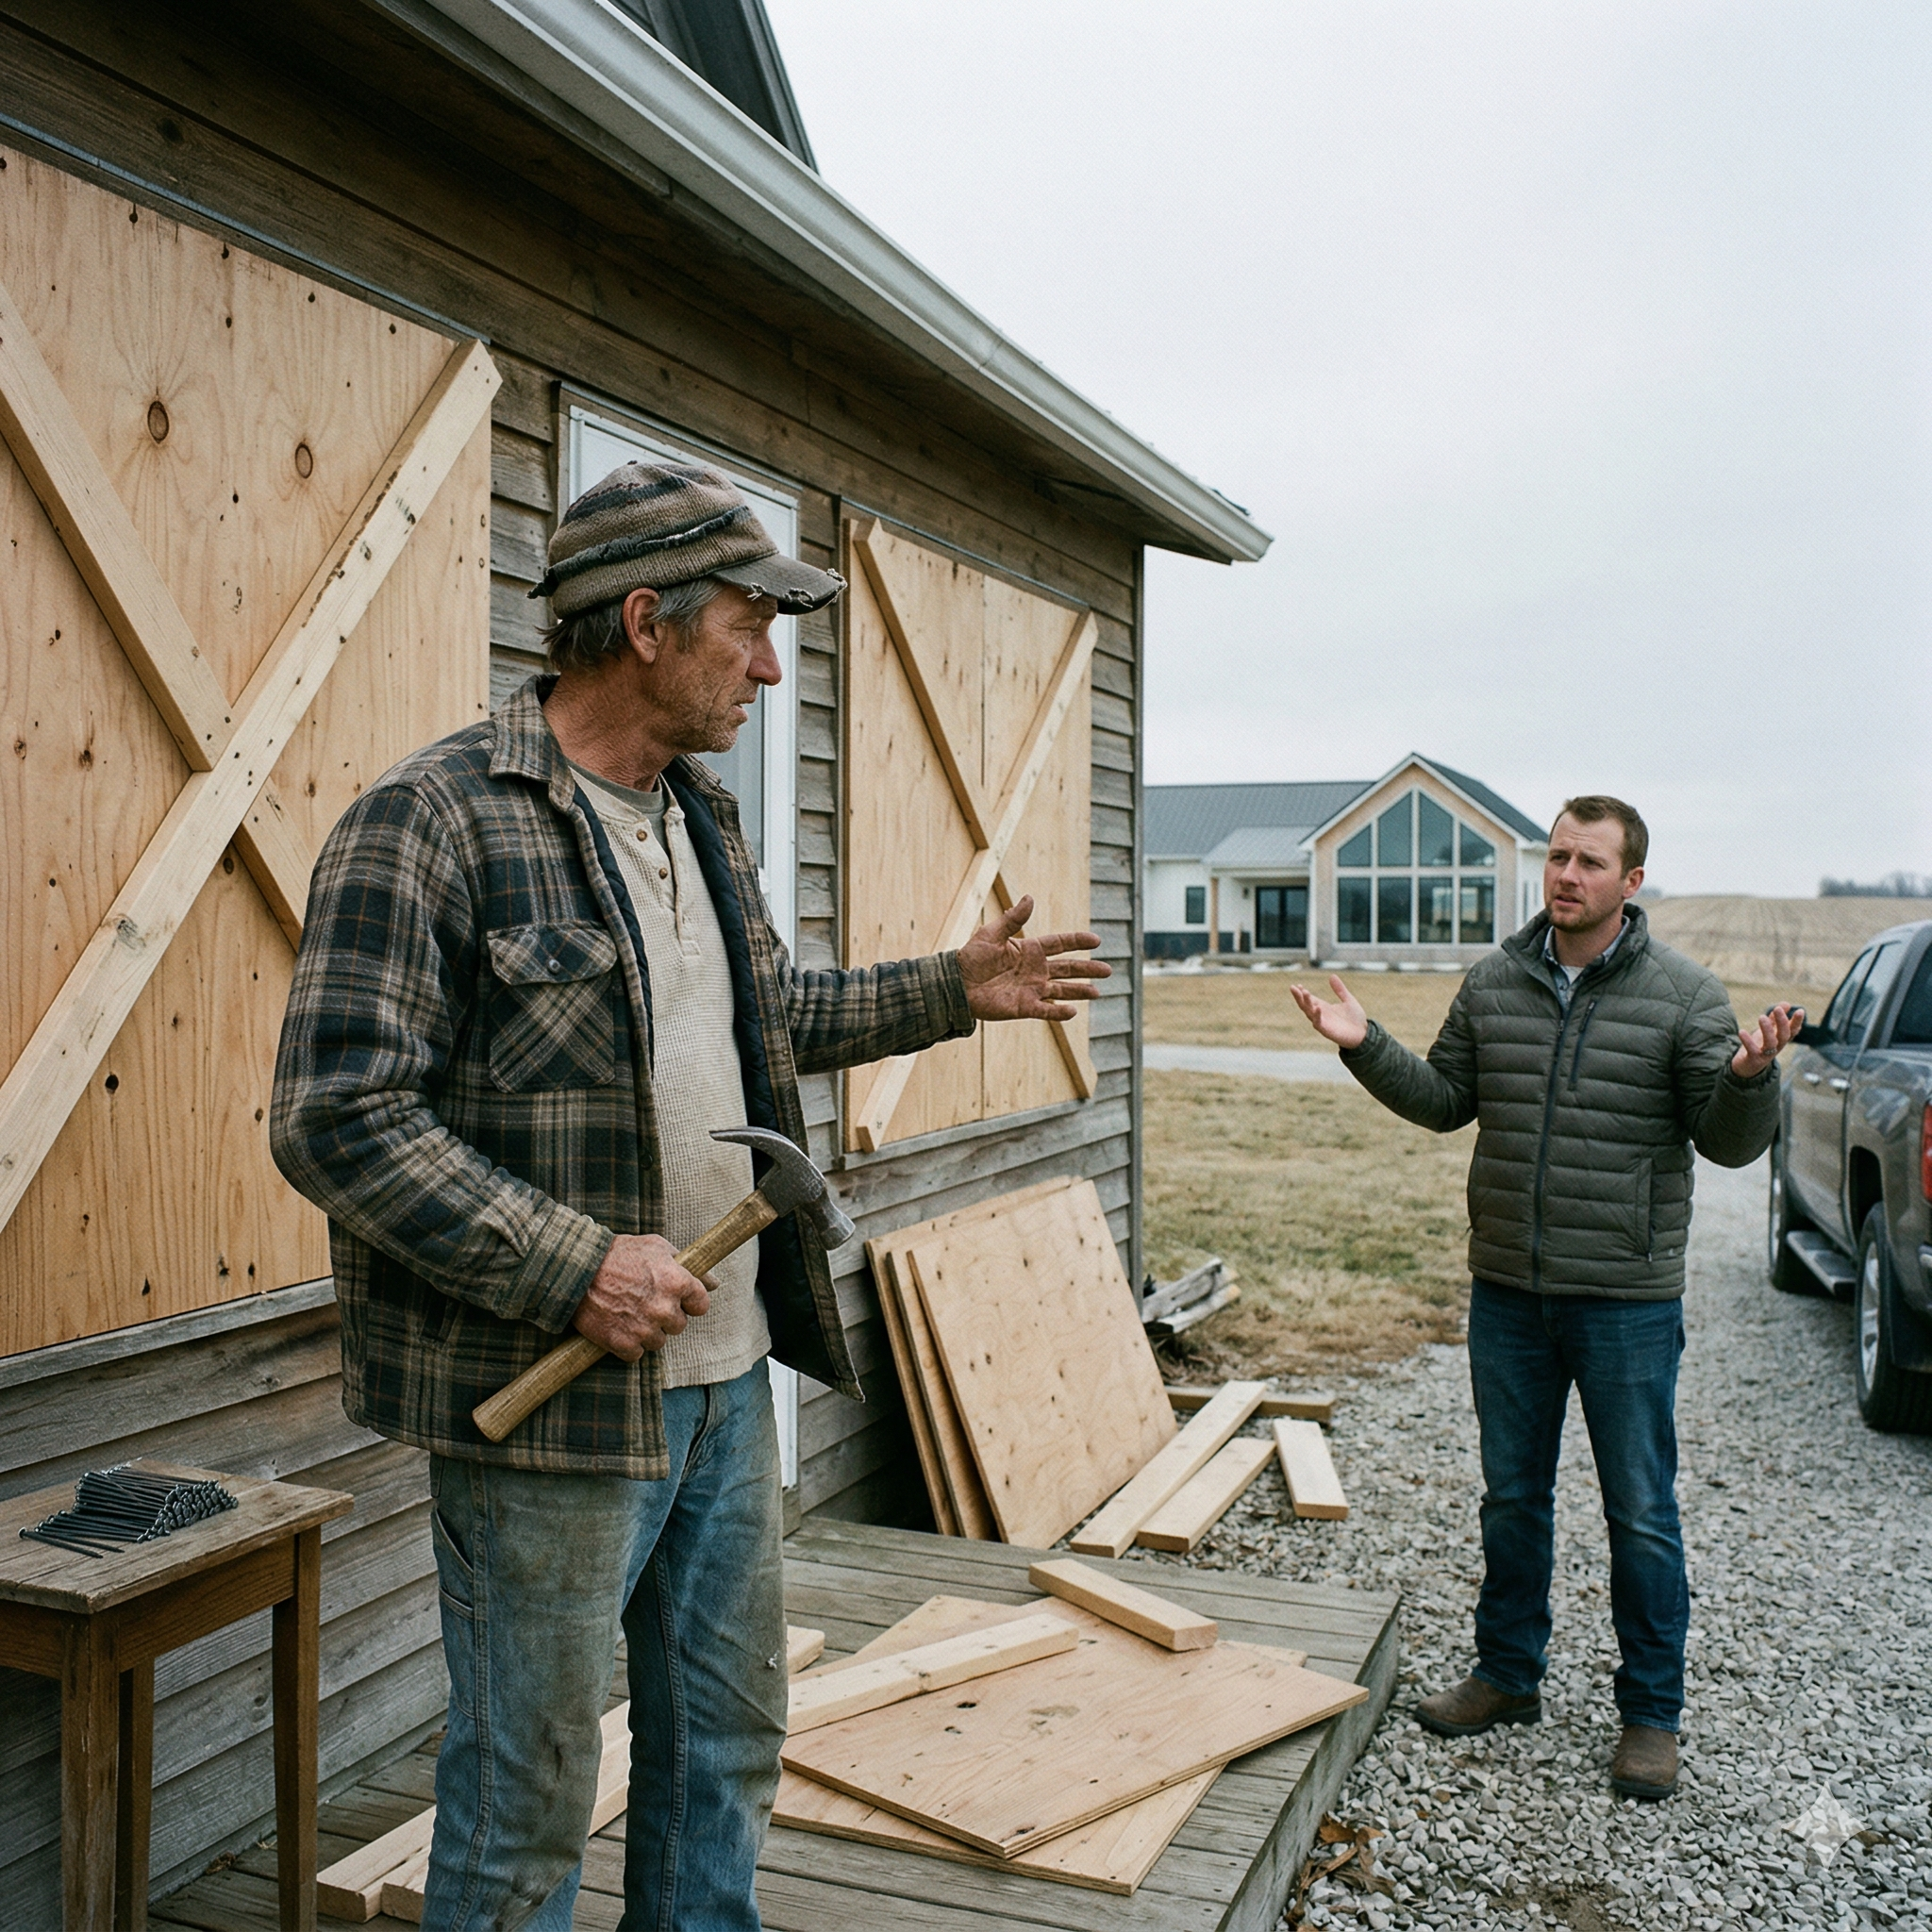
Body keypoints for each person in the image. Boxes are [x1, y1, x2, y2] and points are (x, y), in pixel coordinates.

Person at [271, 459, 1108, 1929]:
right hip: (554, 1390)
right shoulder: (434, 822)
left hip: (724, 1383)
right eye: (749, 628)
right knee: (525, 1797)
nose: (773, 667)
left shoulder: (701, 818)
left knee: (723, 1743)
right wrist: (570, 1264)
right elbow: (335, 1119)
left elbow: (766, 1021)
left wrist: (949, 991)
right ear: (645, 622)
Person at [1291, 795, 1798, 1802]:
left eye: (1589, 861)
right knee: (1510, 1498)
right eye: (1557, 855)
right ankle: (1505, 1672)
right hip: (1508, 1294)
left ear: (1629, 881)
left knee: (1640, 1511)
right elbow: (1443, 1101)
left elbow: (1728, 1142)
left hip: (1623, 1301)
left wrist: (1746, 1077)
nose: (1566, 874)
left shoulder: (1684, 995)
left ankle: (1650, 1714)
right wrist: (1362, 1042)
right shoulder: (1493, 982)